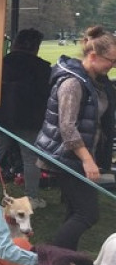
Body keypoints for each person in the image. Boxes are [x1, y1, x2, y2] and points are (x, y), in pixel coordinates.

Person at [34, 25, 116, 252]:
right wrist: (87, 159)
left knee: (75, 211)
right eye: (111, 60)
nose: (113, 65)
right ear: (93, 56)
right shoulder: (72, 83)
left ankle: (64, 262)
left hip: (78, 157)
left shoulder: (96, 80)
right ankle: (45, 260)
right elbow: (67, 128)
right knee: (87, 213)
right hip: (66, 157)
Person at [0, 28, 52, 209]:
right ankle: (31, 197)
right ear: (36, 47)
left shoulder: (1, 63)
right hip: (29, 121)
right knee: (30, 159)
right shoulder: (43, 68)